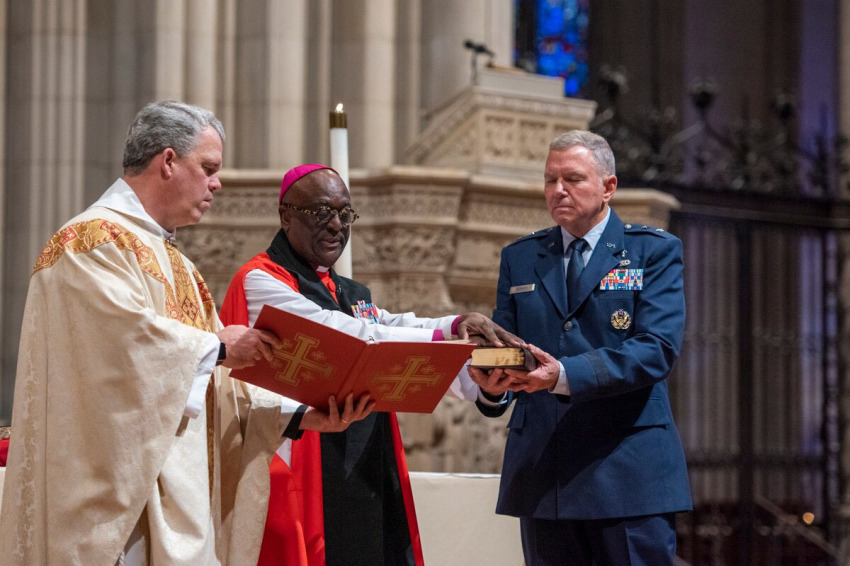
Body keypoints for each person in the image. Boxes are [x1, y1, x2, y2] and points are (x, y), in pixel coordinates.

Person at [0, 101, 293, 565]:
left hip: (176, 501)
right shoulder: (91, 244)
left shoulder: (177, 263)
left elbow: (214, 382)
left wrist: (298, 417)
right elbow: (120, 353)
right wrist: (218, 345)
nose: (217, 183)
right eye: (209, 168)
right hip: (118, 516)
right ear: (169, 161)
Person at [220, 163, 520, 566]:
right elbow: (344, 334)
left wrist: (467, 345)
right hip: (301, 467)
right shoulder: (262, 280)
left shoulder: (348, 290)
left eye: (345, 214)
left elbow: (391, 328)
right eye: (322, 212)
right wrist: (444, 336)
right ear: (285, 214)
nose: (336, 225)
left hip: (365, 463)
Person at [468, 130, 692, 565]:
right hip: (544, 471)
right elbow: (509, 349)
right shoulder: (521, 256)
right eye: (550, 180)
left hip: (625, 468)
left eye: (572, 178)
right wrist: (493, 385)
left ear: (608, 187)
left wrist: (564, 375)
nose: (558, 190)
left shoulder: (652, 251)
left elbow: (656, 348)